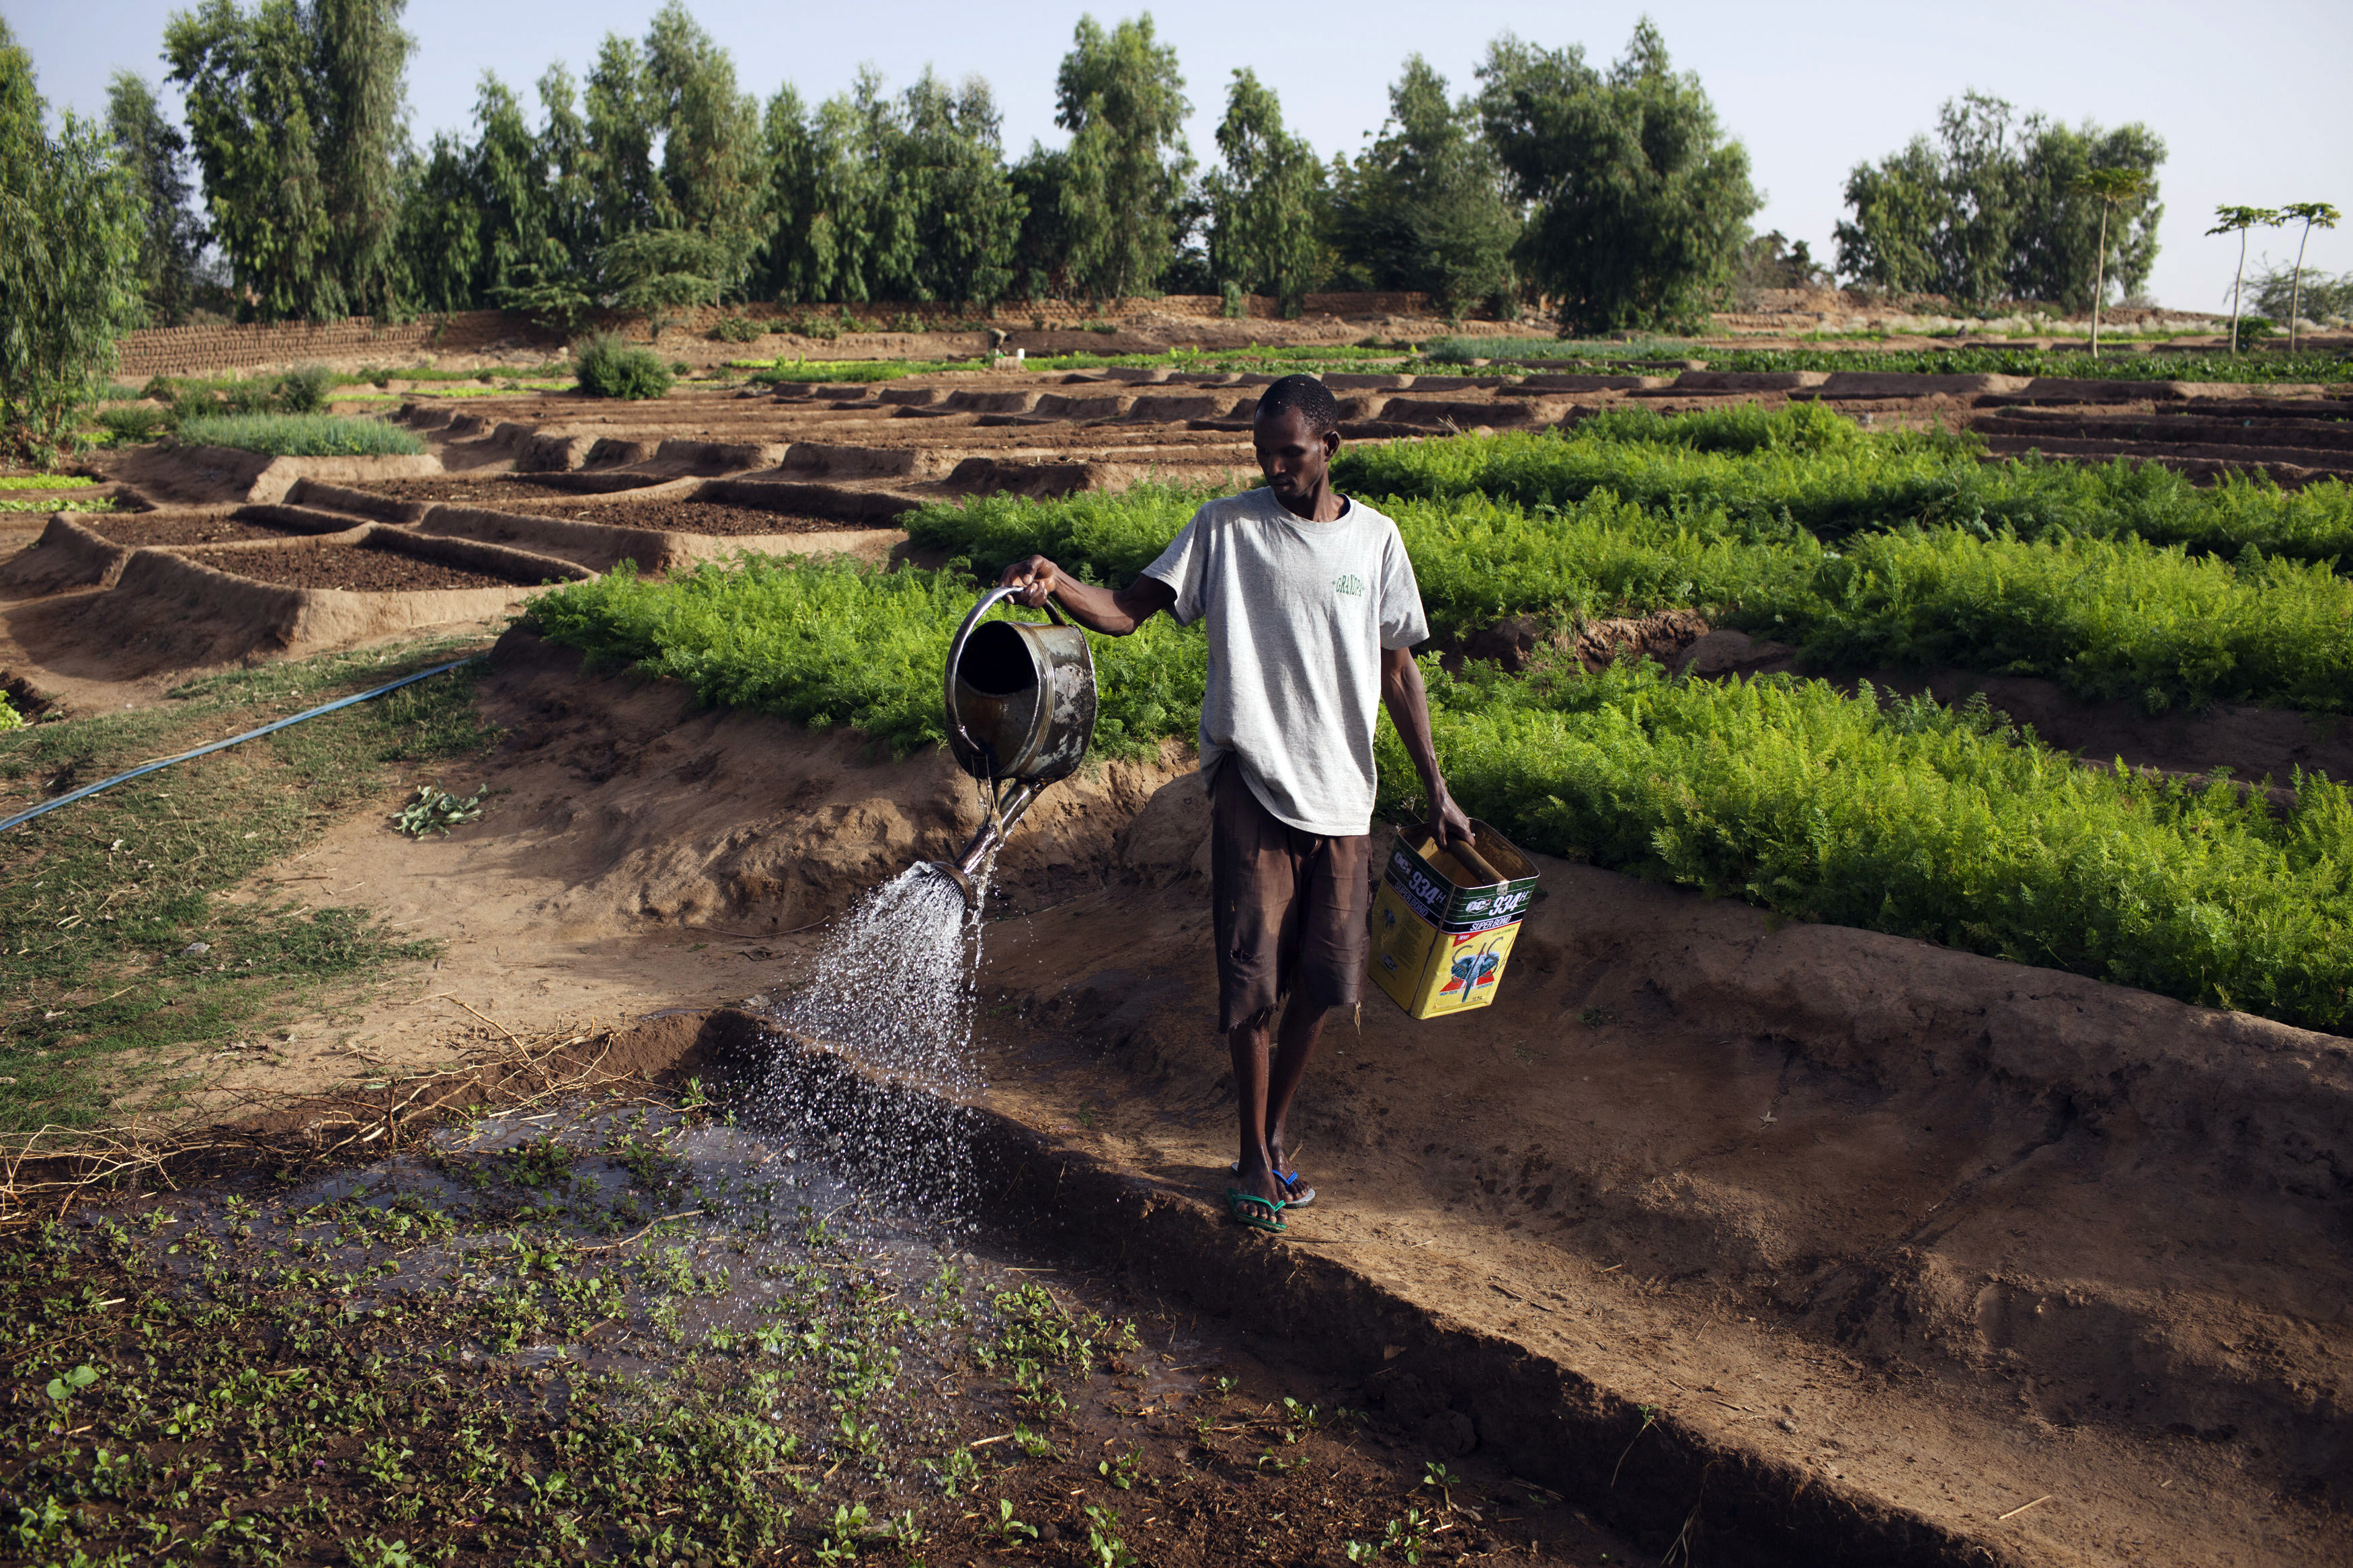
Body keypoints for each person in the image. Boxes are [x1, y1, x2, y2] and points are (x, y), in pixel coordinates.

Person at [998, 374, 1474, 1234]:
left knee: (1327, 985)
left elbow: (1399, 670)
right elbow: (1126, 610)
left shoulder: (1375, 541)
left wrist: (1436, 789)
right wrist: (1058, 582)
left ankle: (1275, 1132)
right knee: (1251, 983)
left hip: (1343, 796)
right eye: (1264, 454)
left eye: (1290, 453)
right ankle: (1252, 1156)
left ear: (1331, 446)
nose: (1276, 468)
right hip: (1250, 781)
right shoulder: (1225, 527)